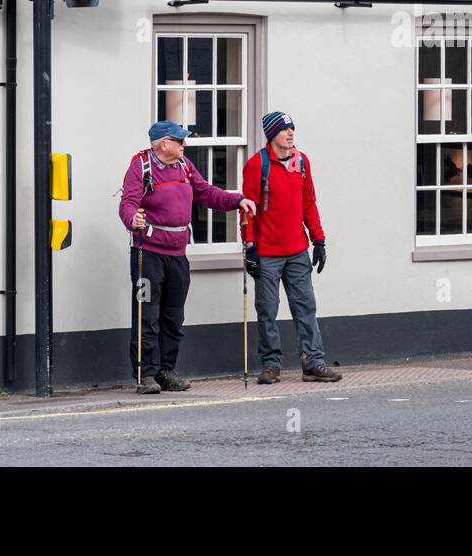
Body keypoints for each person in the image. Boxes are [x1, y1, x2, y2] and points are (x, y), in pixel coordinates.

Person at [118, 120, 256, 394]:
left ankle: (166, 371)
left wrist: (237, 200)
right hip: (149, 253)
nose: (185, 144)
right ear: (164, 144)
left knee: (173, 316)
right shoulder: (140, 167)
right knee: (147, 315)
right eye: (180, 140)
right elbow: (128, 203)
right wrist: (131, 219)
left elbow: (205, 193)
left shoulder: (184, 167)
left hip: (178, 255)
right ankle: (145, 375)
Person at [241, 111, 342, 384]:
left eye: (292, 129)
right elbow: (247, 210)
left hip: (297, 250)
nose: (290, 134)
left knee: (305, 307)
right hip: (267, 253)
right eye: (285, 130)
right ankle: (271, 364)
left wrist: (319, 240)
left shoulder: (303, 163)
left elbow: (308, 203)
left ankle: (313, 362)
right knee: (267, 309)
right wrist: (249, 247)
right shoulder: (256, 165)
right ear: (272, 135)